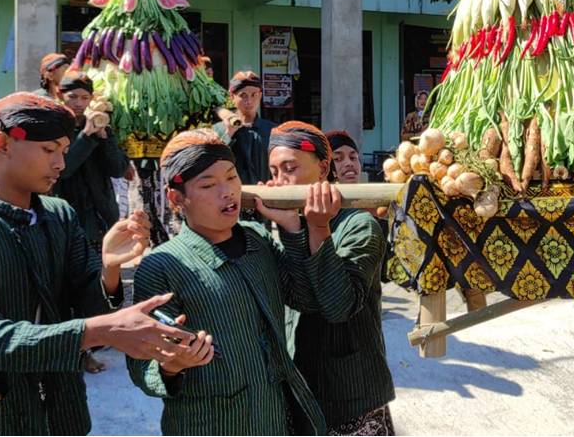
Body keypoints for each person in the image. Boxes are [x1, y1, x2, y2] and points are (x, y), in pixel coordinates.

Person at [0, 92, 194, 435]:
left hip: (59, 416)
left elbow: (87, 313)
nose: (60, 164)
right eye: (49, 150)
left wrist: (109, 269)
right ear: (3, 143)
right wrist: (103, 329)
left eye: (64, 152)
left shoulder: (59, 216)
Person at [126, 129, 334, 435]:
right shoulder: (163, 265)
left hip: (274, 419)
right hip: (212, 424)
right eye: (208, 185)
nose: (227, 192)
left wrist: (292, 229)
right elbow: (142, 365)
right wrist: (171, 366)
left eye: (231, 177)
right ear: (176, 198)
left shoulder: (257, 240)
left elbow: (305, 298)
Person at [257, 122, 396, 436]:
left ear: (322, 169)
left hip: (353, 394)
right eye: (274, 171)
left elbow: (337, 307)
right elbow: (302, 298)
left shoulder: (360, 225)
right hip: (303, 389)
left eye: (289, 169)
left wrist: (319, 231)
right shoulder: (289, 223)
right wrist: (291, 230)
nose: (279, 181)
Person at [52, 71, 131, 373]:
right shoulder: (56, 129)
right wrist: (85, 136)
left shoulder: (100, 126)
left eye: (85, 98)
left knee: (95, 286)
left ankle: (92, 343)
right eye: (73, 97)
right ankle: (74, 351)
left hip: (100, 220)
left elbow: (119, 167)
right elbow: (65, 169)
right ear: (61, 96)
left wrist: (103, 136)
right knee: (67, 288)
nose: (79, 104)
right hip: (69, 219)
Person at [213, 71, 276, 222]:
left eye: (254, 94)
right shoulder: (218, 130)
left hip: (263, 204)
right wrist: (228, 134)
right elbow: (212, 164)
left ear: (260, 95)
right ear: (232, 96)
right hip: (230, 203)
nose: (249, 100)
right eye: (243, 95)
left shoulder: (272, 131)